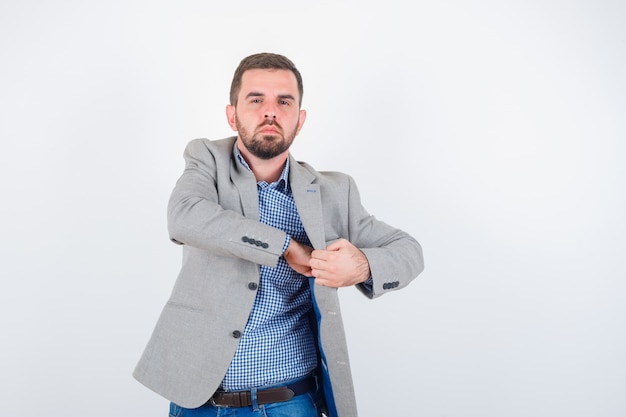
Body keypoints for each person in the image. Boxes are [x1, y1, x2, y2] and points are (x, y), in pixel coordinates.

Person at [133, 52, 424, 417]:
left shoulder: (335, 191)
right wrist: (286, 247)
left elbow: (409, 251)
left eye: (283, 102)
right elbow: (183, 216)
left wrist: (362, 266)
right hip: (200, 401)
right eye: (256, 100)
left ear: (299, 120)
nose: (270, 111)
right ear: (232, 114)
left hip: (291, 401)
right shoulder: (206, 160)